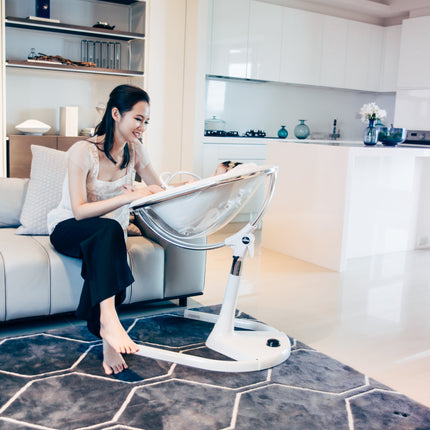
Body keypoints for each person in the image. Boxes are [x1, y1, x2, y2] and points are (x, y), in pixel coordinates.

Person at [47, 84, 163, 375]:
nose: (142, 127)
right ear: (116, 114)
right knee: (111, 231)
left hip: (107, 233)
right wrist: (126, 196)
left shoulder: (136, 151)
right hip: (68, 228)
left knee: (111, 233)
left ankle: (107, 327)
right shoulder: (82, 152)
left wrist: (187, 189)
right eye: (138, 119)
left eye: (146, 121)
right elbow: (79, 211)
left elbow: (158, 189)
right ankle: (110, 324)